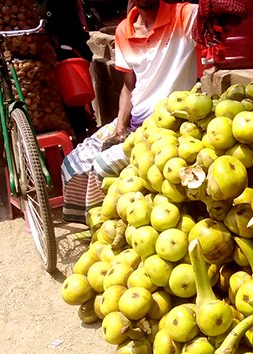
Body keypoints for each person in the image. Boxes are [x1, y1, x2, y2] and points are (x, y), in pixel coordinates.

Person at [61, 0, 200, 224]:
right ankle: (95, 224)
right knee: (73, 163)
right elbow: (128, 86)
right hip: (134, 121)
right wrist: (120, 129)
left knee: (101, 167)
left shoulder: (183, 16)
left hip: (166, 126)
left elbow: (215, 12)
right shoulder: (124, 30)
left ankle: (113, 227)